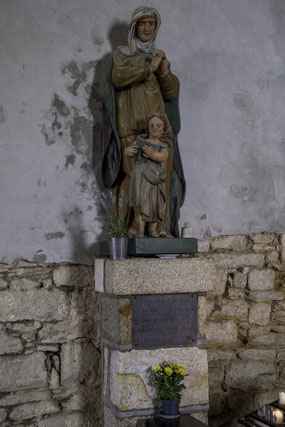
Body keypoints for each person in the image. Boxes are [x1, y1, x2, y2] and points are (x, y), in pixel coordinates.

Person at [100, 6, 185, 237]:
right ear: (135, 27)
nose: (147, 28)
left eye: (151, 24)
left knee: (161, 179)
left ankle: (161, 228)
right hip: (132, 127)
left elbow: (171, 93)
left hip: (159, 131)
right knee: (134, 178)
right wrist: (148, 66)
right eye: (143, 23)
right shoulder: (122, 54)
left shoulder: (159, 57)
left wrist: (164, 71)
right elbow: (118, 78)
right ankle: (131, 227)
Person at [125, 113, 169, 237]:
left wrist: (152, 155)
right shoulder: (141, 141)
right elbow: (130, 151)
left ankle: (152, 230)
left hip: (155, 177)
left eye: (159, 125)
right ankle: (140, 230)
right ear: (148, 128)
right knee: (140, 202)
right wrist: (127, 151)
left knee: (156, 202)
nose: (155, 127)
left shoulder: (162, 145)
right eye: (152, 125)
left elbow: (164, 156)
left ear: (163, 129)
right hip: (141, 176)